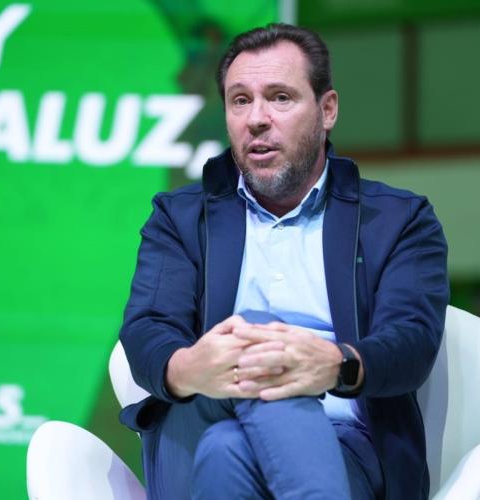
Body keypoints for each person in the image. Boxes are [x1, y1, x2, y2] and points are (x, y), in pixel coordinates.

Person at [119, 23, 449, 500]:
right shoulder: (181, 217)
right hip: (199, 417)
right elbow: (147, 329)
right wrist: (190, 366)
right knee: (253, 337)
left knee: (228, 450)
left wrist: (335, 364)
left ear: (327, 110)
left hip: (342, 444)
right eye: (240, 100)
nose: (257, 118)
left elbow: (411, 340)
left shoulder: (397, 219)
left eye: (279, 97)